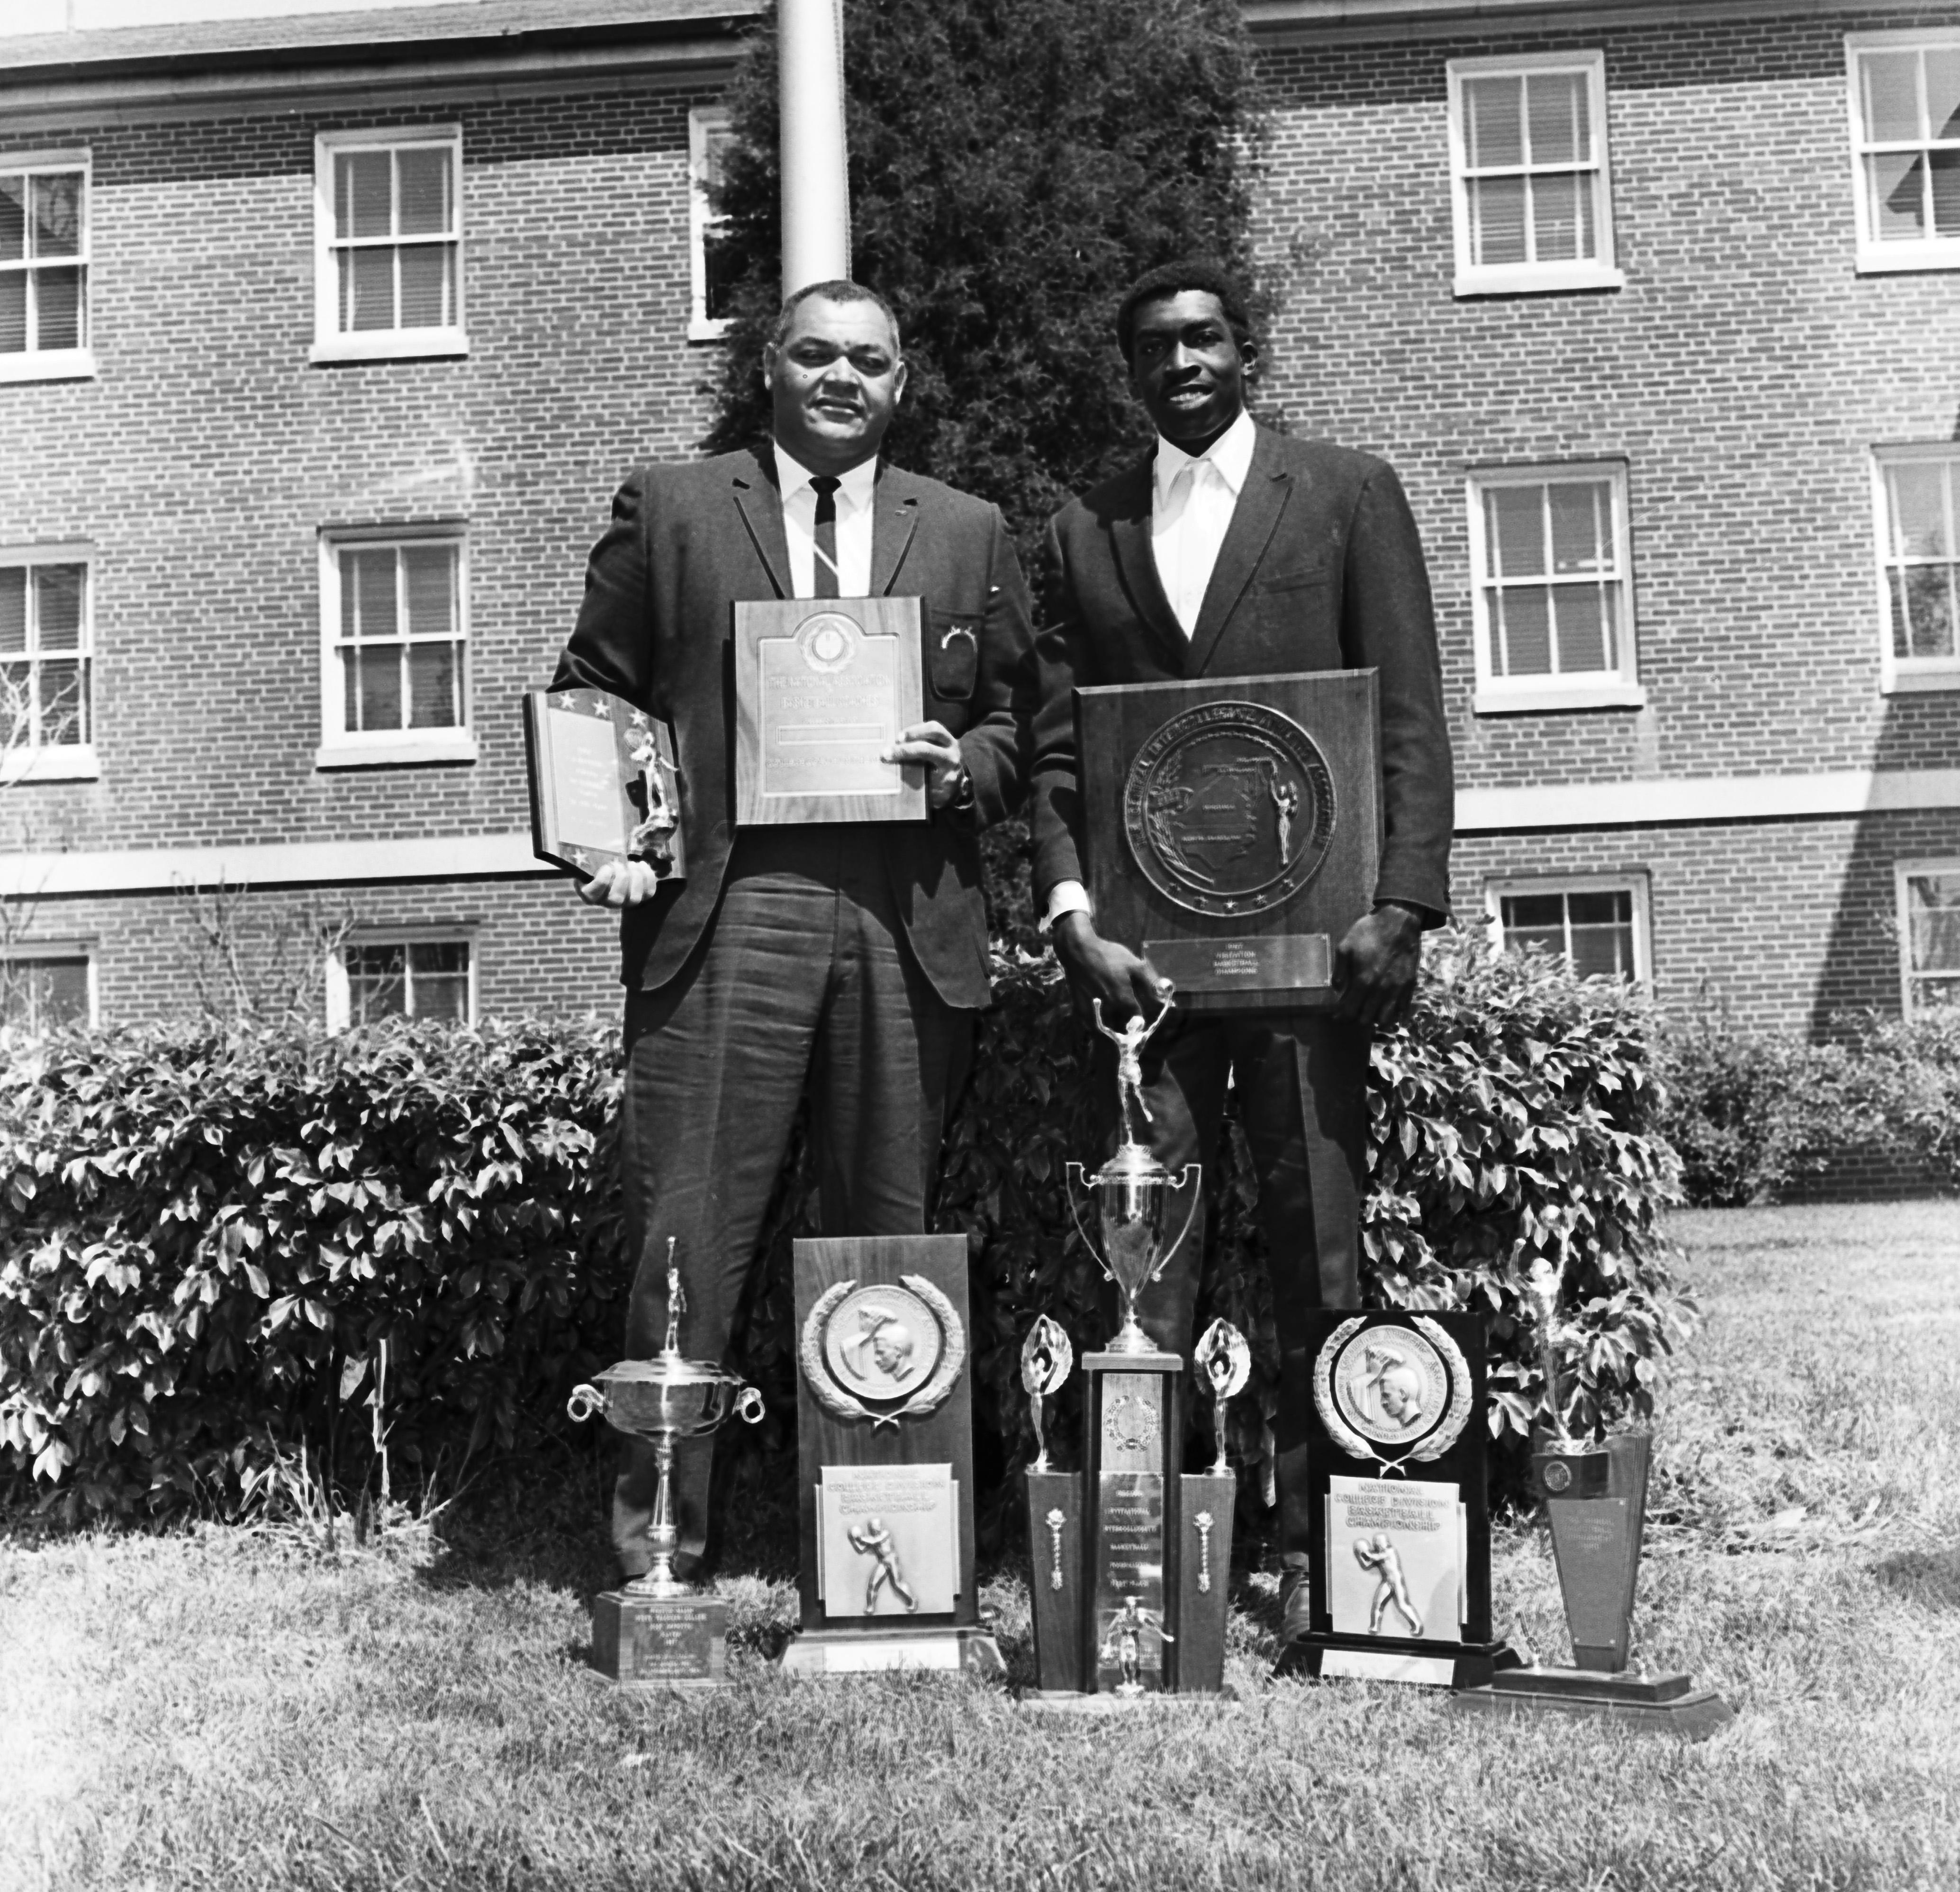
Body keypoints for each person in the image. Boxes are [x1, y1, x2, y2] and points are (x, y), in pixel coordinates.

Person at [554, 280, 1036, 1584]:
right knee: (687, 1239)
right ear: (767, 367)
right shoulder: (672, 508)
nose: (842, 378)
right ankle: (662, 1552)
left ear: (903, 381)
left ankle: (881, 1560)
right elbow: (590, 687)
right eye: (815, 353)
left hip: (902, 915)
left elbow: (1019, 723)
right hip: (727, 910)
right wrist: (606, 835)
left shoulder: (971, 529)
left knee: (883, 1236)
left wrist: (964, 767)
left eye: (868, 360)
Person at [1029, 259, 1453, 1644]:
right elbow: (1053, 751)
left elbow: (1403, 709)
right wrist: (1072, 916)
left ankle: (1335, 1552)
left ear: (1245, 348)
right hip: (1145, 979)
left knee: (1317, 1249)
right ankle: (1152, 1552)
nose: (1183, 362)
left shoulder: (1344, 492)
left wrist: (1401, 899)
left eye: (1205, 337)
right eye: (1154, 345)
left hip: (1315, 957)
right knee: (1149, 1265)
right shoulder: (1082, 530)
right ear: (1129, 369)